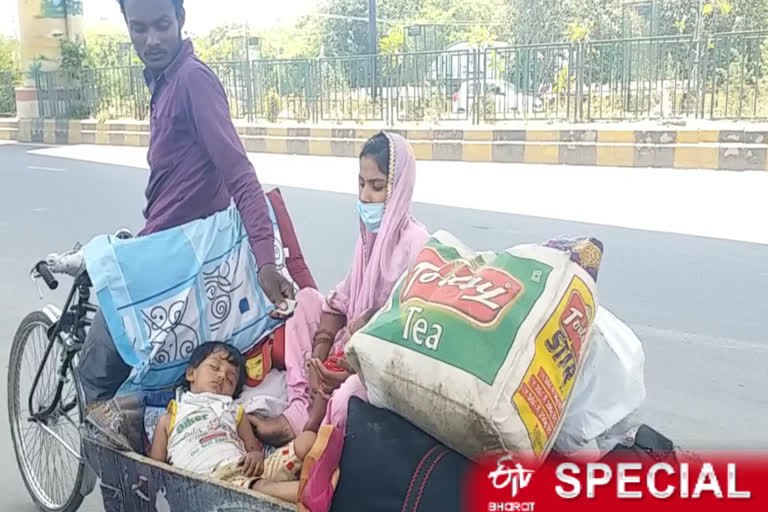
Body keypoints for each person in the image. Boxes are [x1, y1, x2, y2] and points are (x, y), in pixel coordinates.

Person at [78, 0, 294, 404]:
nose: (152, 39)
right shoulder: (163, 80)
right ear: (126, 25)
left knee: (94, 377)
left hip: (172, 268)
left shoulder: (192, 81)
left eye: (162, 24)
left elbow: (240, 175)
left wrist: (266, 261)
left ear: (180, 18)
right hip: (164, 250)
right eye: (139, 28)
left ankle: (105, 468)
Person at [249, 132, 430, 445]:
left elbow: (406, 328)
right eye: (361, 184)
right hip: (342, 351)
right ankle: (301, 409)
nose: (366, 196)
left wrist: (349, 360)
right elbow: (339, 304)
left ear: (399, 188)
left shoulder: (416, 243)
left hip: (375, 363)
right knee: (305, 301)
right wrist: (319, 360)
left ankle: (316, 421)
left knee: (349, 399)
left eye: (377, 187)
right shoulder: (367, 240)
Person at [149, 342, 316, 503]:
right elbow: (154, 470)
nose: (222, 376)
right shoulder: (170, 418)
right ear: (191, 374)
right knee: (259, 488)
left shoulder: (234, 411)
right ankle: (311, 492)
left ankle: (311, 480)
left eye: (230, 378)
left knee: (307, 440)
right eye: (214, 368)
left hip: (247, 470)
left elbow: (254, 450)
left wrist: (255, 457)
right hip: (210, 484)